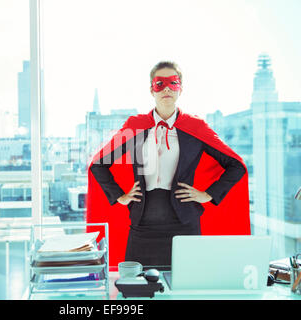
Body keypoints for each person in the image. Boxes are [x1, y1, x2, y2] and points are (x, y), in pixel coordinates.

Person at [86, 61, 250, 268]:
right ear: (151, 89)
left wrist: (207, 194)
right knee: (137, 288)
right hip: (142, 226)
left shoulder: (195, 127)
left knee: (187, 289)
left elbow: (236, 165)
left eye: (173, 83)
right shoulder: (136, 126)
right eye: (159, 83)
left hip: (185, 226)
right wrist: (120, 196)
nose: (166, 89)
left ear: (180, 89)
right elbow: (98, 164)